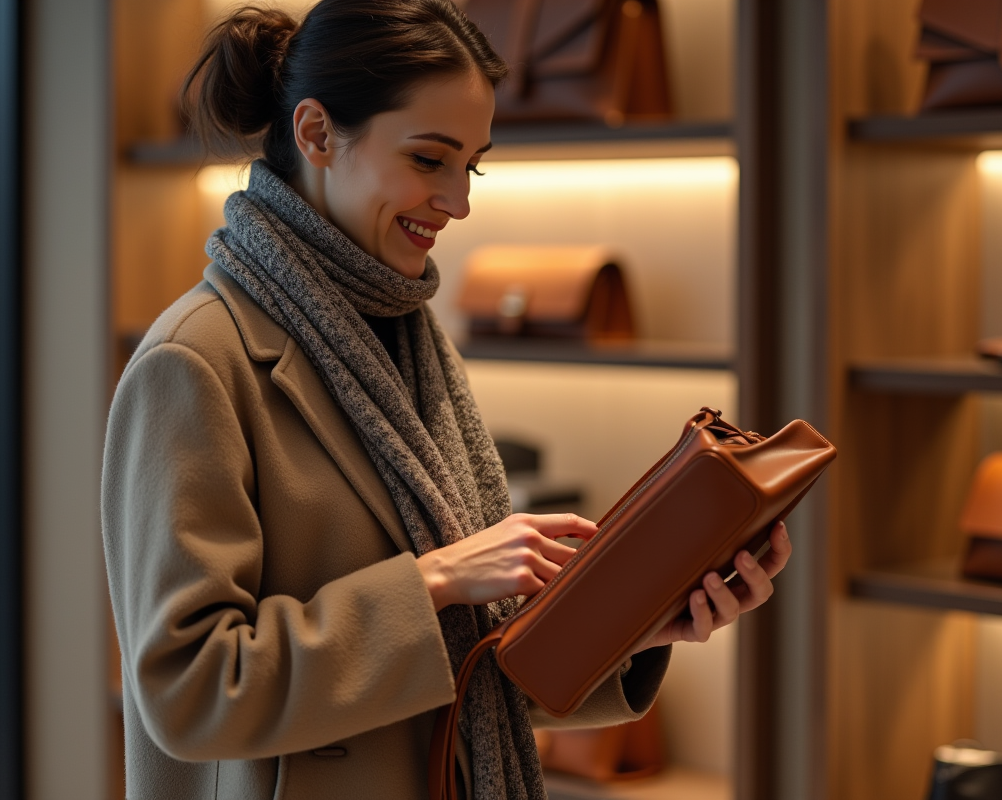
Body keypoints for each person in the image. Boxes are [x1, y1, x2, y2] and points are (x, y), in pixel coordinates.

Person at [100, 2, 792, 799]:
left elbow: (467, 670)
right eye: (430, 160)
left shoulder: (410, 344)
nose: (459, 201)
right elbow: (188, 695)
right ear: (317, 134)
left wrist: (642, 623)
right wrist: (430, 581)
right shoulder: (195, 361)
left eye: (473, 165)